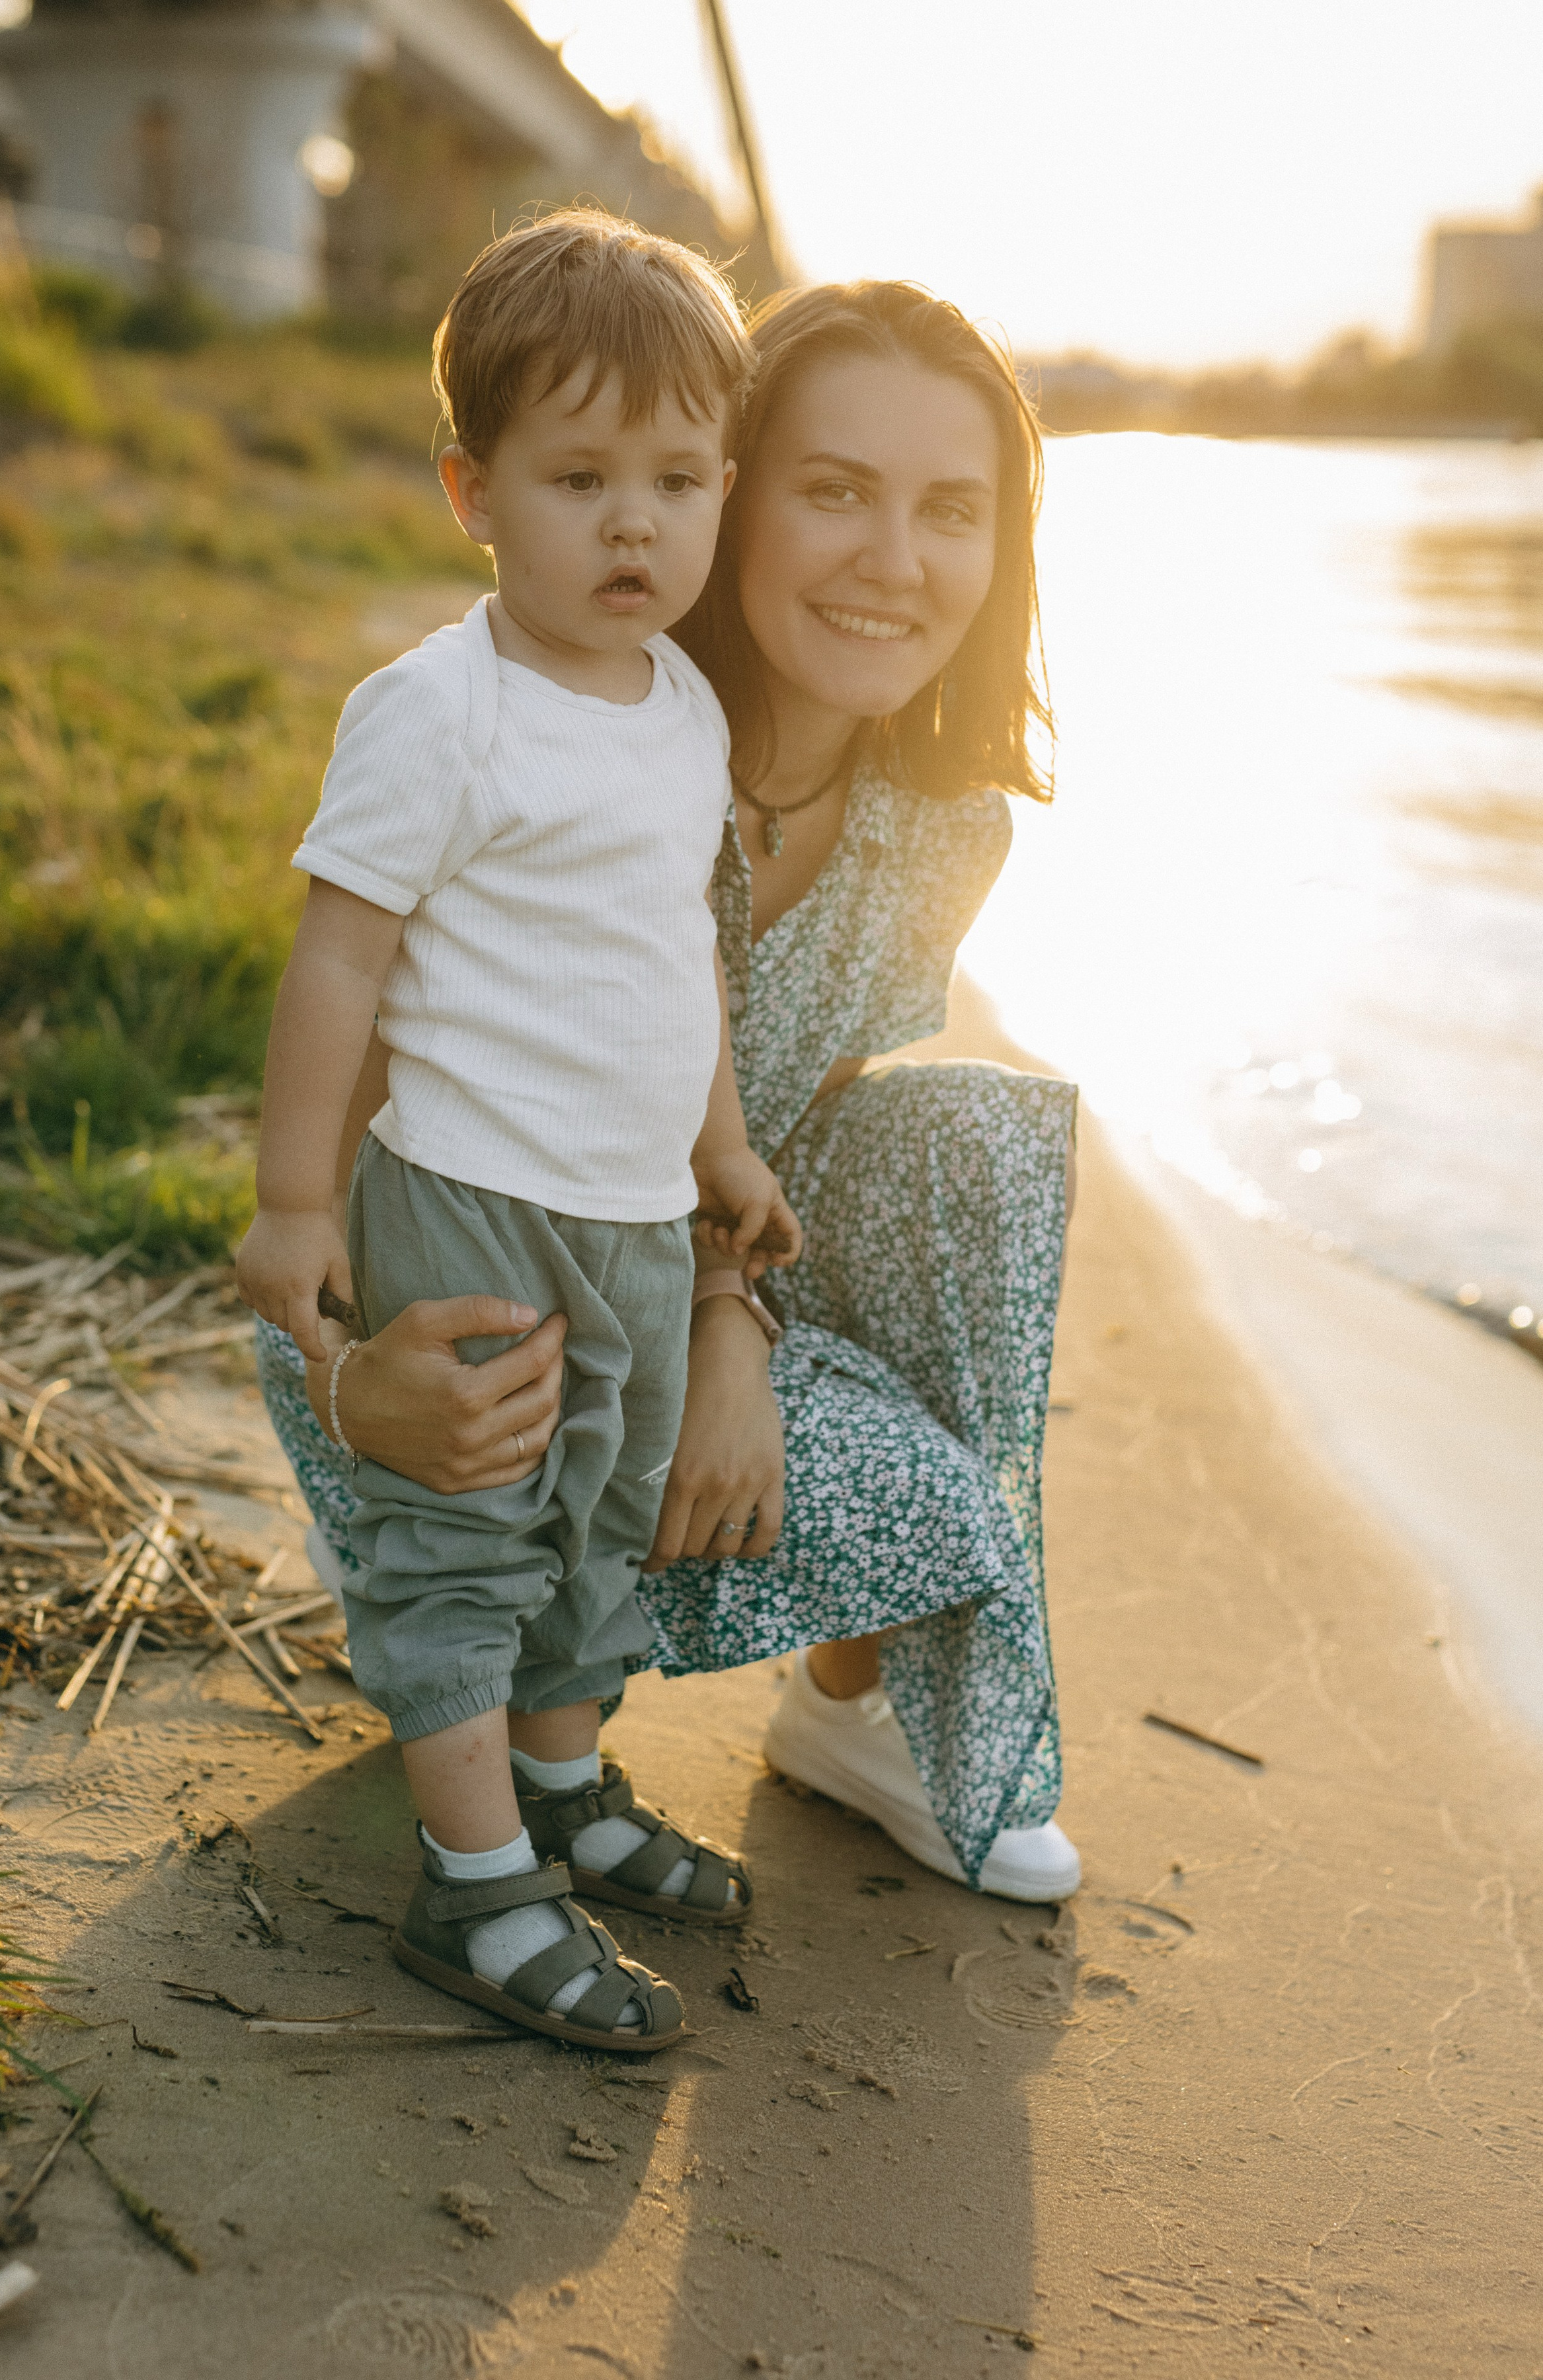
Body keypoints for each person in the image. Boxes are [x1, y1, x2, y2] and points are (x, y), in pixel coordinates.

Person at [257, 276, 1081, 1909]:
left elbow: (791, 1129)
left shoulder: (933, 827)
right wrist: (354, 1386)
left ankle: (849, 1715)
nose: (892, 561)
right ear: (736, 475)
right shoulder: (545, 727)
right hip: (444, 1317)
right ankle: (463, 1747)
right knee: (507, 1529)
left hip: (655, 1275)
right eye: (833, 489)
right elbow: (354, 1101)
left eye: (949, 512)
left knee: (973, 1153)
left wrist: (729, 1334)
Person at [236, 212, 800, 2055]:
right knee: (468, 1539)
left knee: (601, 1531)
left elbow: (676, 959)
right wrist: (298, 1198)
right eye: (579, 479)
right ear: (476, 490)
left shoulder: (689, 708)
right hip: (472, 1200)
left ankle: (558, 1793)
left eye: (678, 480)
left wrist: (721, 1153)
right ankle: (471, 1885)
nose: (635, 526)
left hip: (635, 1215)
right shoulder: (437, 712)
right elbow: (340, 962)